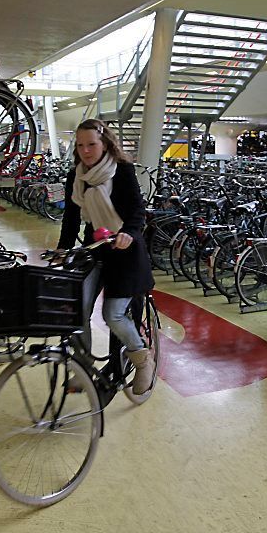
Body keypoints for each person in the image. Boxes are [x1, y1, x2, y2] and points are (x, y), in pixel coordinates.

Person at [57, 119, 156, 394]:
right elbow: (71, 217)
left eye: (91, 144)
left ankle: (142, 359)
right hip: (95, 250)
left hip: (126, 252)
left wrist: (128, 233)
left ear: (105, 143)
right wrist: (63, 248)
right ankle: (83, 368)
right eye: (80, 145)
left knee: (113, 315)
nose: (86, 150)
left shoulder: (121, 170)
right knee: (76, 310)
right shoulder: (76, 176)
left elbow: (137, 210)